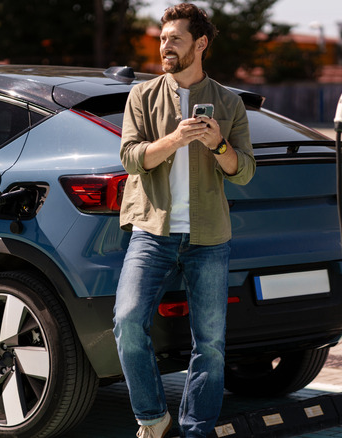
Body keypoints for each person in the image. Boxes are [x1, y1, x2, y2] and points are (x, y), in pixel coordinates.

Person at [112, 3, 256, 437]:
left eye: (174, 38)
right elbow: (130, 158)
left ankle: (197, 430)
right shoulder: (142, 96)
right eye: (162, 38)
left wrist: (218, 147)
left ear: (201, 43)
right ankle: (153, 419)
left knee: (210, 344)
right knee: (127, 321)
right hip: (152, 233)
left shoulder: (229, 102)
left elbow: (245, 170)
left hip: (209, 237)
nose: (165, 46)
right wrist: (175, 138)